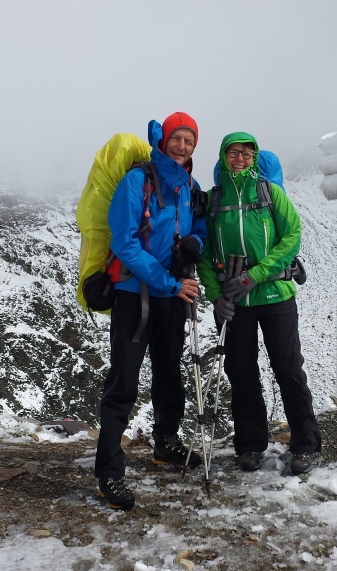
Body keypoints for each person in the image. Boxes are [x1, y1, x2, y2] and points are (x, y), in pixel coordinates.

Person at [94, 112, 207, 511]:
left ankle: (166, 444)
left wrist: (196, 240)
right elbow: (125, 243)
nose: (182, 146)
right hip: (135, 295)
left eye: (188, 141)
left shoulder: (190, 187)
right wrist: (170, 282)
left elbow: (199, 229)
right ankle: (109, 472)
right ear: (163, 141)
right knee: (124, 382)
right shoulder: (138, 180)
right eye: (176, 138)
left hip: (172, 296)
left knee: (168, 374)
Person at [196, 132, 322, 475]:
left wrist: (254, 275)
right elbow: (205, 256)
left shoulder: (270, 193)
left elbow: (291, 238)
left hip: (275, 297)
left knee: (288, 369)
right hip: (236, 303)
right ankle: (250, 446)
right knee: (242, 373)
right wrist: (216, 296)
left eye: (247, 154)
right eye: (234, 153)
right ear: (224, 156)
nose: (240, 158)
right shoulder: (213, 200)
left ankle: (305, 445)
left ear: (254, 158)